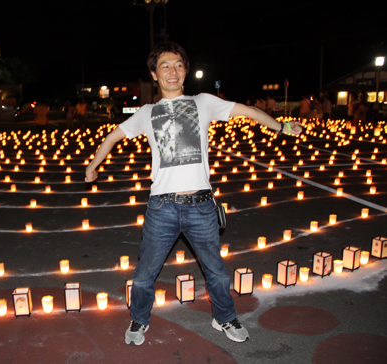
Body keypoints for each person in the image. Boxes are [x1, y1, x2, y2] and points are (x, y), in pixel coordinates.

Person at [84, 41, 302, 346]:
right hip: (162, 207)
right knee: (145, 273)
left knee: (216, 271)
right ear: (154, 74)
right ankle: (139, 319)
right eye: (165, 66)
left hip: (201, 206)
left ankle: (224, 317)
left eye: (178, 65)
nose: (172, 71)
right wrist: (93, 164)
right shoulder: (147, 113)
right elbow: (113, 136)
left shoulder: (203, 102)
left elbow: (249, 111)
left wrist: (280, 127)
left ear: (185, 71)